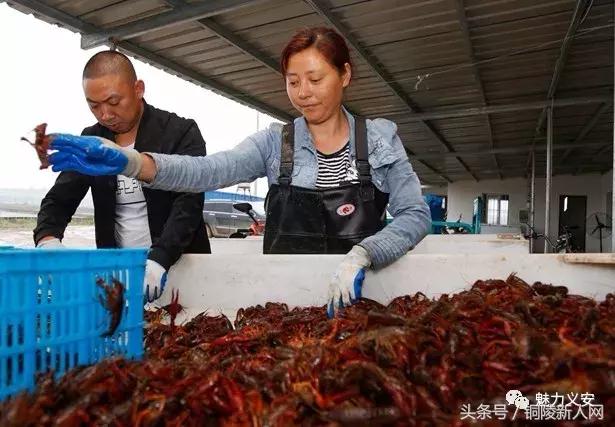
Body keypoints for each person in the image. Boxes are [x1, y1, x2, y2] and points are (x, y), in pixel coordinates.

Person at [47, 28, 431, 316]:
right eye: (293, 82)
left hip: (360, 299)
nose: (303, 93)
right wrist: (133, 163)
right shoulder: (273, 144)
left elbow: (415, 214)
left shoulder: (378, 140)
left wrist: (364, 254)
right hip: (285, 305)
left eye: (316, 80)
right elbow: (209, 171)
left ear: (344, 75)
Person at [34, 50, 211, 302]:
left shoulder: (180, 132)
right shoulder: (92, 140)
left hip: (177, 266)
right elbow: (60, 199)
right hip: (119, 272)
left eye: (114, 102)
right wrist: (47, 239)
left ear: (138, 89)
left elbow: (189, 203)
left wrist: (160, 257)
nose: (105, 115)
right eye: (94, 106)